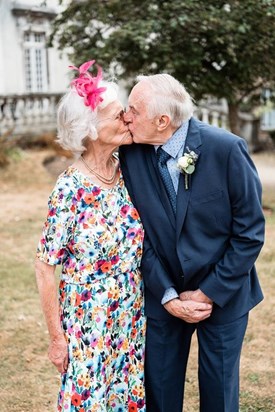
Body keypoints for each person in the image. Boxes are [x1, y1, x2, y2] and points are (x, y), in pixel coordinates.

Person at [119, 73, 265, 412]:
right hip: (163, 293)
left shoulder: (226, 149)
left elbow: (250, 233)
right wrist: (169, 296)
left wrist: (207, 292)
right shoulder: (131, 156)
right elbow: (137, 236)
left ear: (162, 121)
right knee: (160, 390)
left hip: (225, 294)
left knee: (219, 393)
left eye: (132, 110)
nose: (126, 117)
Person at [35, 61, 146, 412]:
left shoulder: (130, 169)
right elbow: (44, 266)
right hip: (89, 323)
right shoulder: (70, 187)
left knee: (126, 397)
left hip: (131, 315)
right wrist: (57, 339)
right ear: (92, 129)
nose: (127, 119)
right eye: (118, 116)